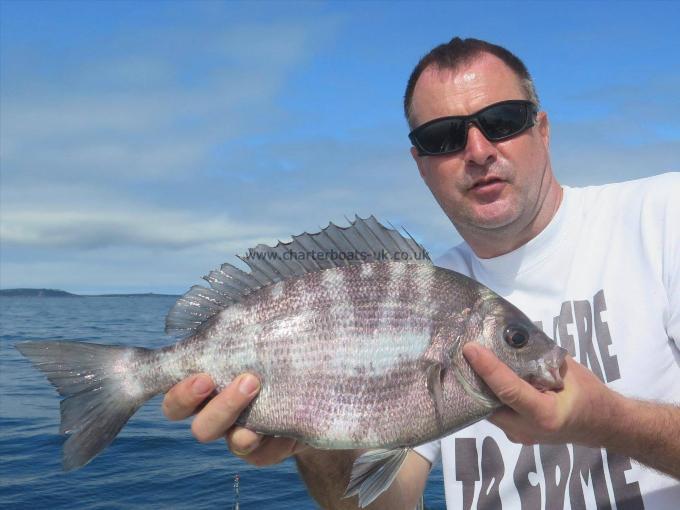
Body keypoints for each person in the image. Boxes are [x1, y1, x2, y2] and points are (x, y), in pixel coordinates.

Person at [161, 37, 680, 508]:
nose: (478, 151)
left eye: (502, 120)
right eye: (444, 137)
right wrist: (315, 443)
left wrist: (606, 421)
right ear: (419, 161)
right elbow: (389, 504)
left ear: (542, 129)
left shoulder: (663, 215)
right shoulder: (432, 285)